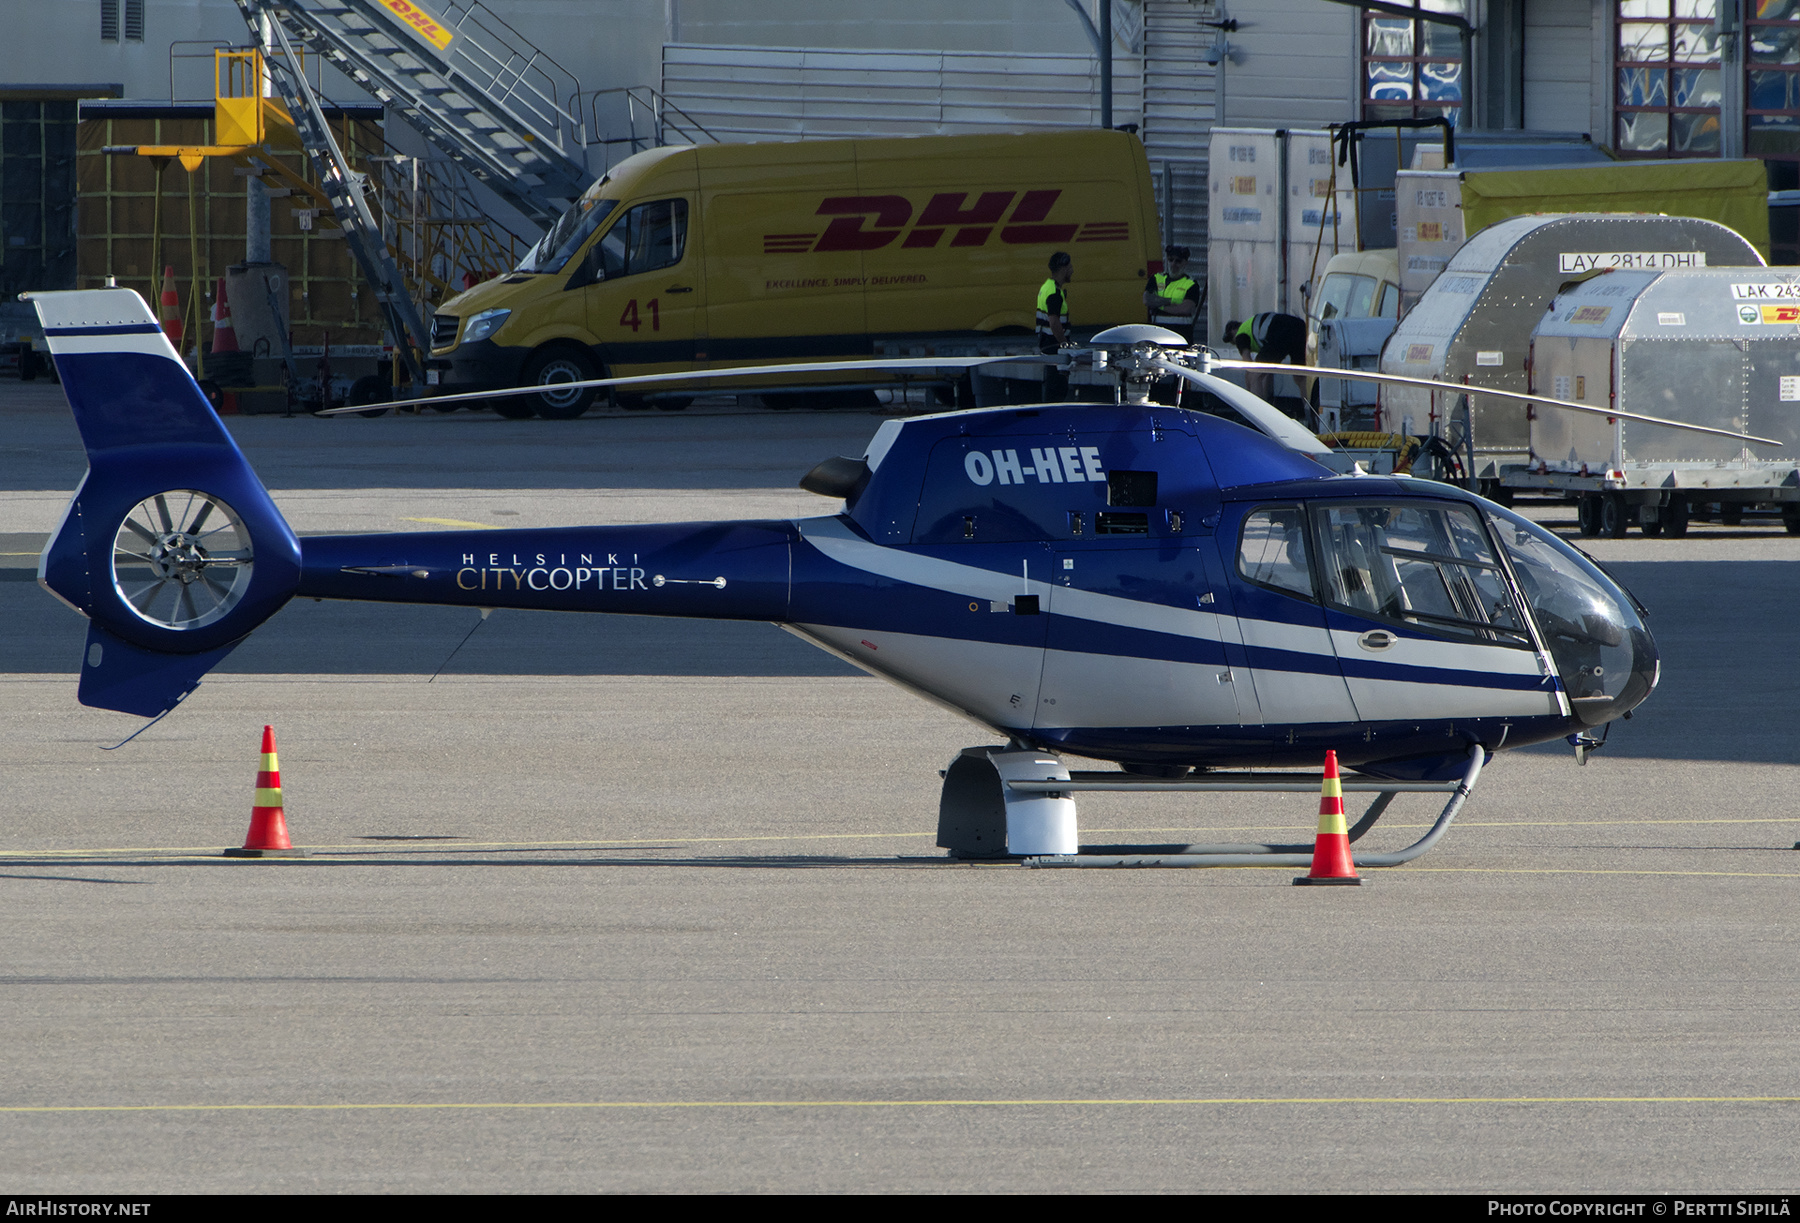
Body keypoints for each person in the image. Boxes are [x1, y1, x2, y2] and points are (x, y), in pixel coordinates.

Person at [1227, 312, 1309, 411]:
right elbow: (1267, 372)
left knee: (1255, 374)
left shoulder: (1240, 334)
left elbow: (1248, 365)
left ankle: (1258, 413)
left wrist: (1248, 391)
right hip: (1299, 326)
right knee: (1300, 377)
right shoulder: (1253, 327)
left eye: (1232, 341)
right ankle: (1309, 411)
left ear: (1233, 331)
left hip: (1281, 332)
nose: (1235, 344)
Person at [1144, 245, 1201, 343]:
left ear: (1185, 263)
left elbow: (1185, 309)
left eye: (1178, 261)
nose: (1173, 264)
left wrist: (1159, 305)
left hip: (1181, 334)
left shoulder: (1191, 284)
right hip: (1158, 333)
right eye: (1171, 260)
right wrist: (1171, 301)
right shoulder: (1157, 278)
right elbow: (1147, 300)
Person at [1037, 251, 1073, 401]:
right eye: (1070, 266)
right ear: (1063, 268)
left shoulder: (1047, 286)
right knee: (1057, 390)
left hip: (1047, 346)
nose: (1072, 270)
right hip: (1055, 348)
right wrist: (1064, 343)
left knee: (1051, 389)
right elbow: (1054, 322)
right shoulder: (1054, 293)